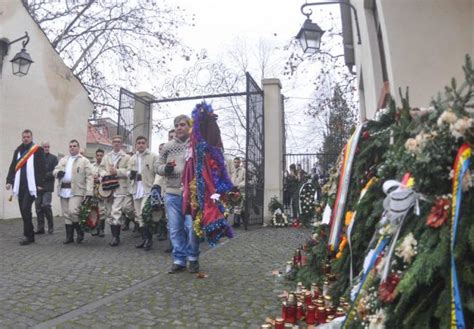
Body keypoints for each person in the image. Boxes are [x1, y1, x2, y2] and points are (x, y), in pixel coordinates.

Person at [157, 115, 200, 274]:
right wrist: (165, 169)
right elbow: (158, 166)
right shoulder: (167, 147)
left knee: (191, 228)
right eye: (176, 125)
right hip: (172, 192)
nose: (178, 128)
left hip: (191, 193)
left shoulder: (196, 145)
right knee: (175, 229)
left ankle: (193, 258)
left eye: (182, 125)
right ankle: (179, 260)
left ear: (189, 127)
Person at [6, 129, 46, 245]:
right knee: (24, 211)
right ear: (22, 138)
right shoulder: (18, 150)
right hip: (20, 186)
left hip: (31, 186)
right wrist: (9, 181)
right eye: (24, 137)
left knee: (25, 208)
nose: (26, 138)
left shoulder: (37, 150)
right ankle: (31, 234)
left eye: (28, 136)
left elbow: (42, 168)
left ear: (31, 137)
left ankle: (27, 235)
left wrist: (40, 184)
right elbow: (13, 166)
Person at [53, 139, 94, 244]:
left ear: (78, 148)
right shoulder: (64, 159)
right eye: (70, 146)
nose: (72, 148)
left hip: (77, 190)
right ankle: (69, 237)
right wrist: (58, 173)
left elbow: (90, 177)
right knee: (66, 214)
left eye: (74, 146)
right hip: (64, 189)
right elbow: (55, 170)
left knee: (73, 211)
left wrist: (89, 192)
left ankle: (80, 231)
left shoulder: (84, 160)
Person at [100, 135, 134, 246]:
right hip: (108, 187)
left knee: (116, 211)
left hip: (120, 187)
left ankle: (116, 237)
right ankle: (115, 233)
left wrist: (117, 171)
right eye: (114, 141)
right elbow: (100, 169)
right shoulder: (106, 157)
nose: (116, 143)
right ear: (111, 143)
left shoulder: (126, 157)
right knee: (109, 212)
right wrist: (105, 174)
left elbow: (130, 172)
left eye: (118, 142)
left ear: (121, 144)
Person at [129, 136, 159, 251]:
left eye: (143, 143)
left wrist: (156, 186)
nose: (140, 145)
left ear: (146, 144)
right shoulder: (132, 158)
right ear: (136, 145)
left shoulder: (153, 156)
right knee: (138, 215)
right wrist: (129, 174)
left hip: (148, 188)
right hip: (136, 188)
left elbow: (158, 173)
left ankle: (149, 239)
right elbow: (128, 171)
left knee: (143, 213)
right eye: (138, 143)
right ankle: (144, 239)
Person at [34, 141, 58, 234]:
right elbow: (34, 172)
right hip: (38, 187)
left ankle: (50, 226)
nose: (46, 148)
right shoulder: (37, 158)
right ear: (41, 147)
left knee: (46, 205)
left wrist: (43, 177)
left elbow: (54, 172)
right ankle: (40, 228)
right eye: (44, 147)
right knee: (38, 207)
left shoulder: (53, 158)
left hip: (47, 187)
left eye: (48, 146)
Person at [91, 148, 108, 237]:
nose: (99, 157)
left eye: (101, 155)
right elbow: (88, 176)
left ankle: (101, 229)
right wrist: (92, 178)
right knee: (93, 209)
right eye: (97, 155)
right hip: (93, 189)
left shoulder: (105, 166)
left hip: (102, 190)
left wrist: (99, 179)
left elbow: (107, 176)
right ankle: (95, 228)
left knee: (101, 210)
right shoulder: (92, 166)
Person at [230, 156, 245, 228]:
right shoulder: (231, 170)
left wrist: (240, 185)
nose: (236, 163)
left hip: (239, 188)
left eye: (238, 162)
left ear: (240, 162)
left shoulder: (243, 170)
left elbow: (245, 180)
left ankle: (236, 222)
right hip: (231, 188)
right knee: (231, 206)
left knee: (238, 205)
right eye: (235, 162)